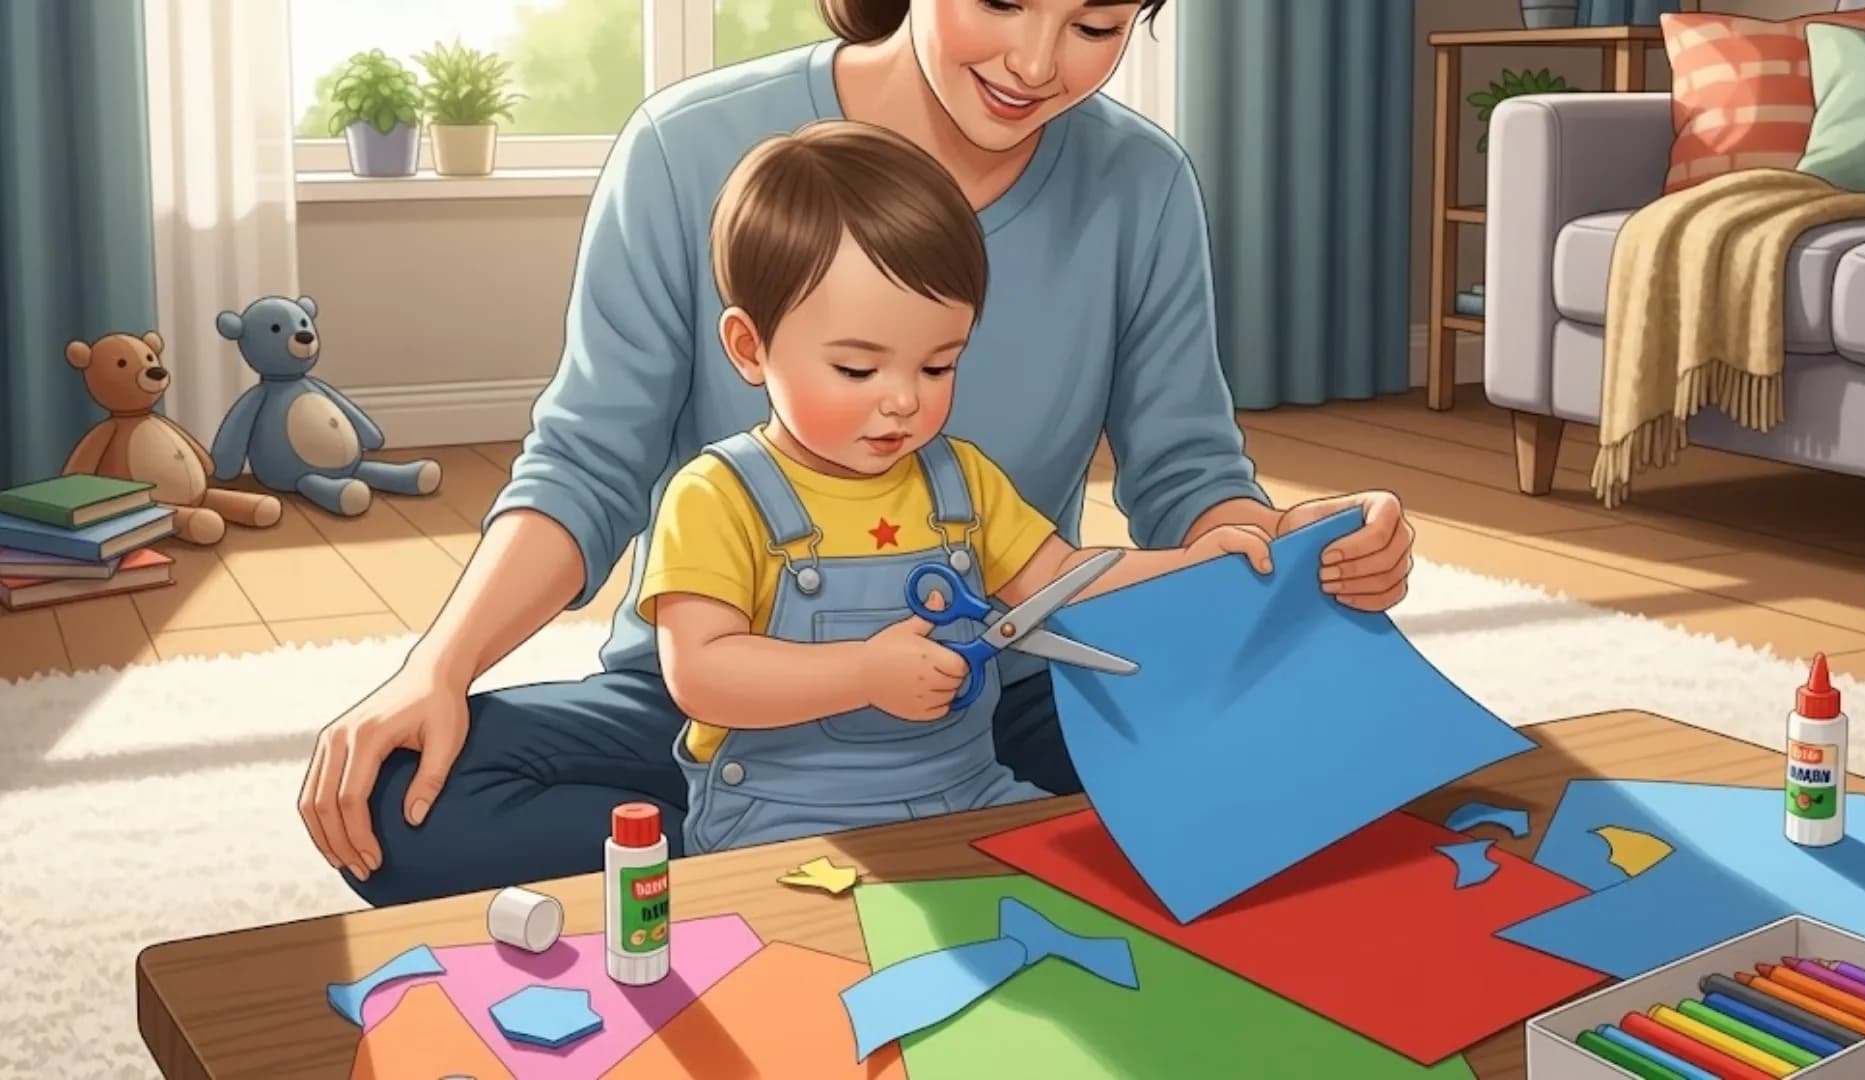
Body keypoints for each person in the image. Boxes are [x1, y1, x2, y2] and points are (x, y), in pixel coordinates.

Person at [300, 0, 1418, 906]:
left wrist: (1268, 557)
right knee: (402, 797)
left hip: (1005, 685)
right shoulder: (687, 150)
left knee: (1327, 776)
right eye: (1004, 1)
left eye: (1098, 24)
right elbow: (588, 466)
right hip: (718, 709)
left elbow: (1186, 472)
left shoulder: (1140, 181)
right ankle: (796, 858)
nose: (1038, 62)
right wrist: (437, 668)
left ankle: (851, 869)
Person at [652, 120, 1274, 854]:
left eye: (938, 366)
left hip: (967, 789)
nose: (904, 401)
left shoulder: (959, 479)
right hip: (785, 820)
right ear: (749, 348)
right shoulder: (717, 496)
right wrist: (862, 672)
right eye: (858, 370)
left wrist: (1193, 565)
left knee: (1088, 874)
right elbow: (701, 674)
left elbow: (1064, 579)